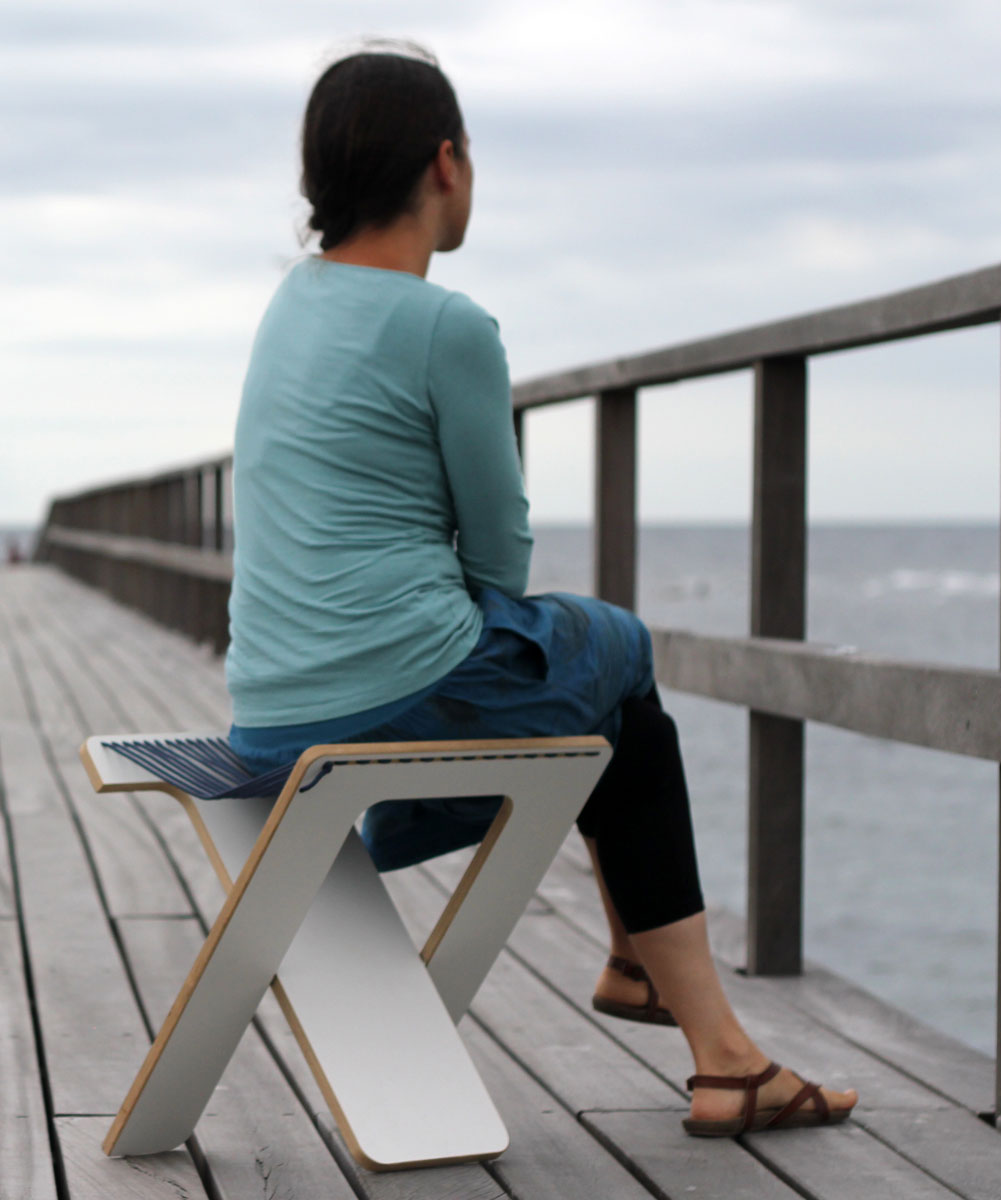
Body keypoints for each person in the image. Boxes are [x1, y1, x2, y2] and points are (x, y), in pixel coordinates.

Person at [225, 42, 857, 1137]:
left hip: (269, 712)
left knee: (600, 693)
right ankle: (679, 1009)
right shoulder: (448, 326)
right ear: (447, 165)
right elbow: (499, 557)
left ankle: (689, 1020)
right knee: (620, 650)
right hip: (391, 700)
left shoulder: (290, 307)